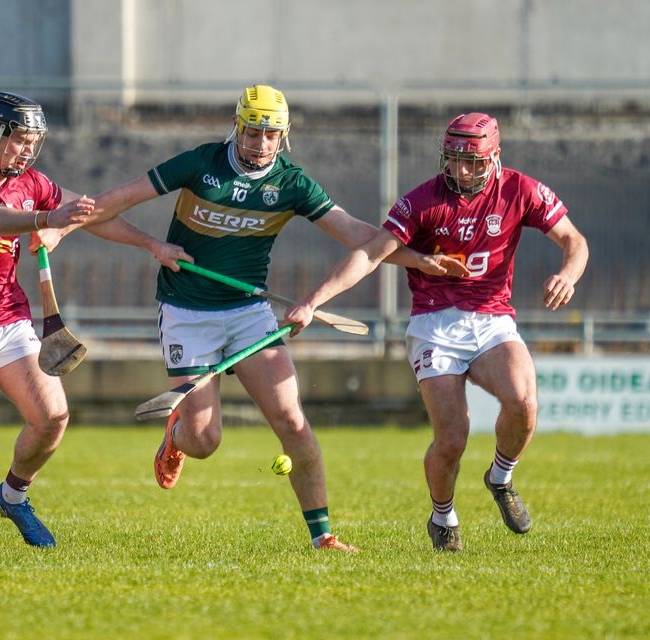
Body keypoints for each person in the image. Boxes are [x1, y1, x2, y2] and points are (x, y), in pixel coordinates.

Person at [85, 84, 456, 551]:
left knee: (292, 420)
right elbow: (118, 199)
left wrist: (416, 259)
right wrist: (127, 239)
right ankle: (177, 437)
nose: (261, 143)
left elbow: (357, 234)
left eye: (272, 134)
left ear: (284, 136)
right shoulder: (201, 163)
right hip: (186, 310)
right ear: (237, 127)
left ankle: (323, 537)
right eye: (253, 131)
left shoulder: (292, 183)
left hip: (249, 314)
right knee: (205, 440)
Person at [285, 112, 589, 552]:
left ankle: (500, 478)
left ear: (494, 157)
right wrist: (313, 301)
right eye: (453, 161)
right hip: (435, 324)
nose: (461, 172)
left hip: (492, 318)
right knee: (452, 439)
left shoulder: (521, 189)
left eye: (473, 163)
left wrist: (569, 275)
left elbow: (573, 240)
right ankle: (442, 515)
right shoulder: (422, 201)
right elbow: (370, 254)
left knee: (524, 401)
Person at [0, 91, 182, 550]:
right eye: (19, 139)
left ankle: (13, 496)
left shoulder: (31, 182)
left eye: (32, 141)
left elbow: (91, 212)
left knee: (53, 417)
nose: (26, 150)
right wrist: (44, 217)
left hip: (7, 316)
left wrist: (149, 245)